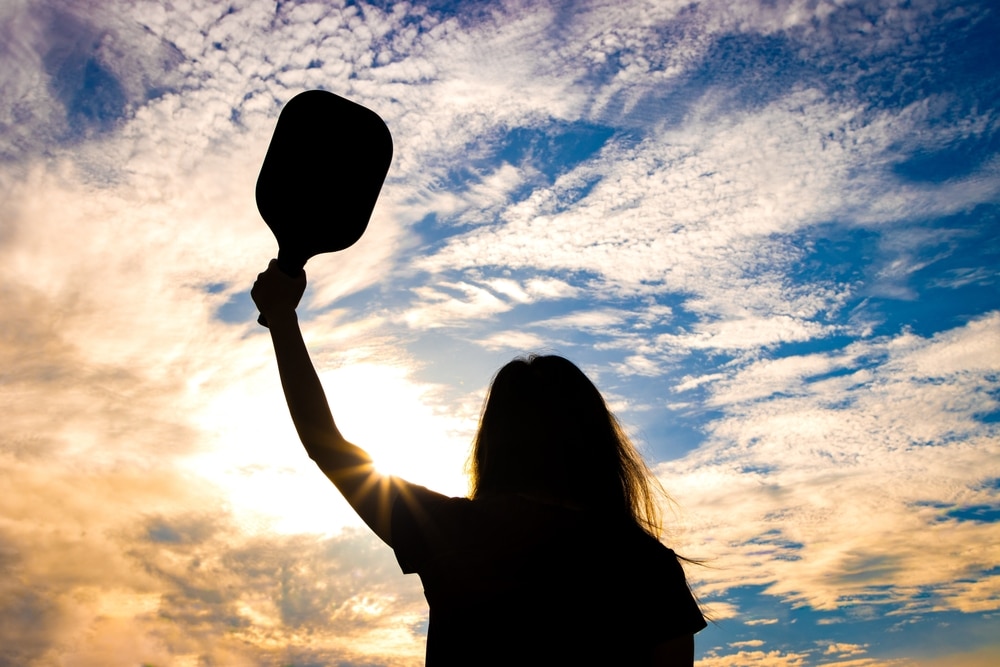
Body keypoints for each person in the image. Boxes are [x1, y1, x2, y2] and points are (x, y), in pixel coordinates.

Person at [252, 260, 707, 666]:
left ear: (494, 441)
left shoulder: (449, 531)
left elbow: (325, 444)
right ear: (596, 440)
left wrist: (282, 317)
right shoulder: (645, 564)